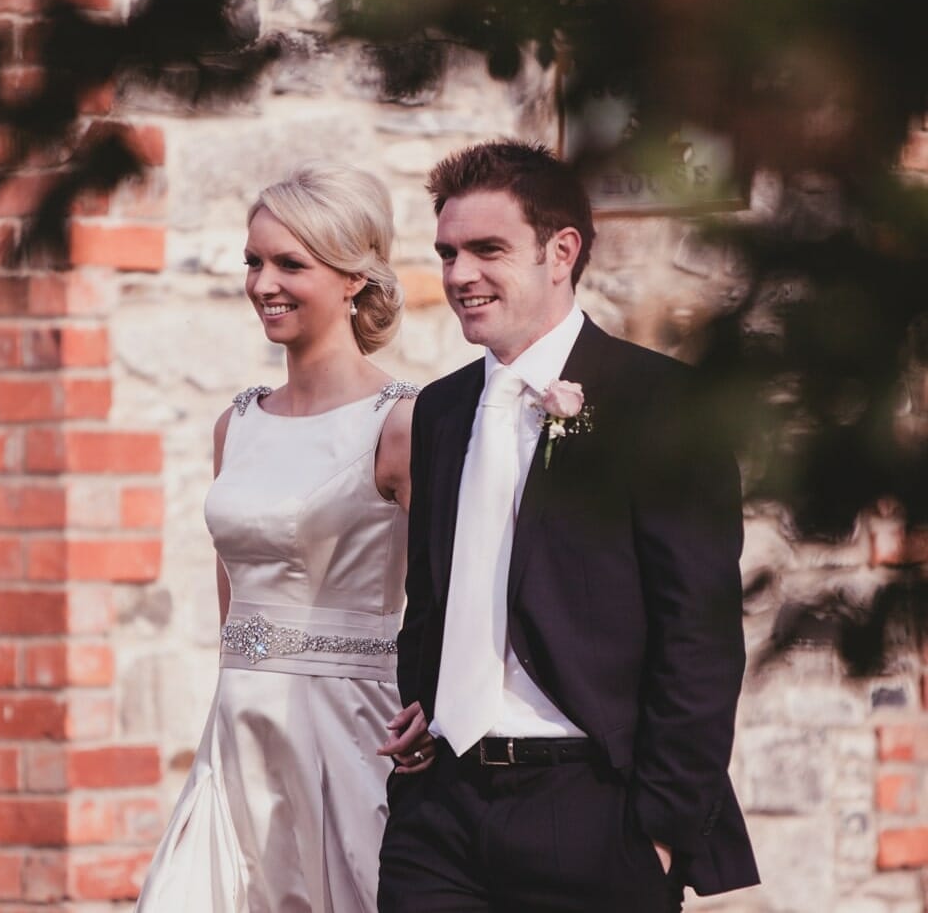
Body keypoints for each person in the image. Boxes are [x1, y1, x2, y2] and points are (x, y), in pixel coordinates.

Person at [378, 141, 760, 911]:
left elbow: (700, 638)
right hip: (438, 819)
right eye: (447, 253)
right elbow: (432, 595)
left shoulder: (661, 404)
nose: (458, 276)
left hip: (591, 809)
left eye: (487, 250)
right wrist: (429, 695)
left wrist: (659, 834)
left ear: (562, 251)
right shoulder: (440, 411)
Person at [137, 162, 434, 913]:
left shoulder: (401, 424)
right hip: (239, 728)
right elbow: (234, 602)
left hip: (350, 730)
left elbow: (454, 588)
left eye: (290, 263)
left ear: (353, 279)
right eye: (254, 261)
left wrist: (436, 703)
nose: (263, 282)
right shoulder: (234, 425)